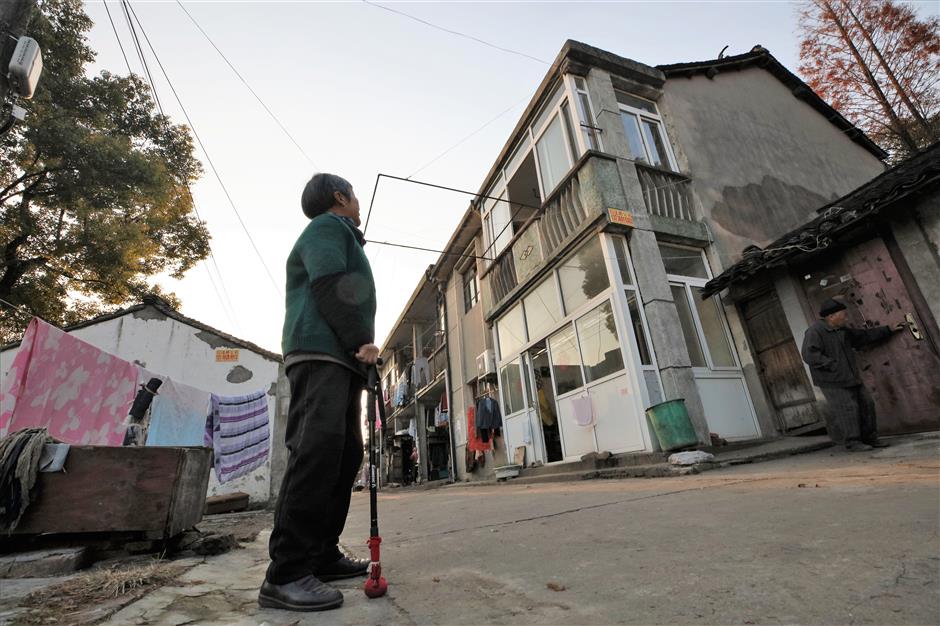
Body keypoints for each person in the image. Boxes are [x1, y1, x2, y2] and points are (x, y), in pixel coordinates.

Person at [260, 173, 379, 612]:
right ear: (339, 197)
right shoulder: (327, 228)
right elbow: (329, 285)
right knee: (316, 449)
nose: (358, 203)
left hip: (342, 357)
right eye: (354, 196)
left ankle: (321, 554)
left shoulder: (344, 233)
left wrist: (358, 351)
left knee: (346, 453)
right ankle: (286, 572)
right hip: (321, 351)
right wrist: (358, 341)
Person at [801, 298, 902, 452]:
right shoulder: (815, 331)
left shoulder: (843, 331)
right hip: (832, 380)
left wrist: (888, 329)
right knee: (848, 409)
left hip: (851, 377)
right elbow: (810, 354)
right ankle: (853, 442)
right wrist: (833, 365)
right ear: (831, 317)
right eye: (843, 315)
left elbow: (864, 336)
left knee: (867, 404)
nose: (846, 318)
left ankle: (870, 438)